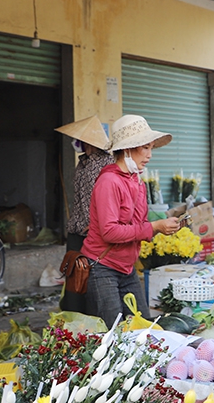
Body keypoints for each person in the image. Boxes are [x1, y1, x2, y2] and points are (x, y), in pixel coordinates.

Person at [82, 115, 182, 328]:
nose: (149, 155)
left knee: (143, 329)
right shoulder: (109, 181)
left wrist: (160, 225)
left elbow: (137, 223)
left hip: (127, 268)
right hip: (103, 268)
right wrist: (153, 227)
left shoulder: (136, 180)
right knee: (113, 334)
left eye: (151, 148)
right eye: (145, 148)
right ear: (127, 149)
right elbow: (109, 232)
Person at [55, 116, 115, 314]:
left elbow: (105, 200)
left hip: (92, 234)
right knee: (74, 281)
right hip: (76, 230)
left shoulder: (105, 164)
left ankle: (90, 321)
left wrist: (96, 225)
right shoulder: (83, 163)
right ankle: (74, 321)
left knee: (88, 281)